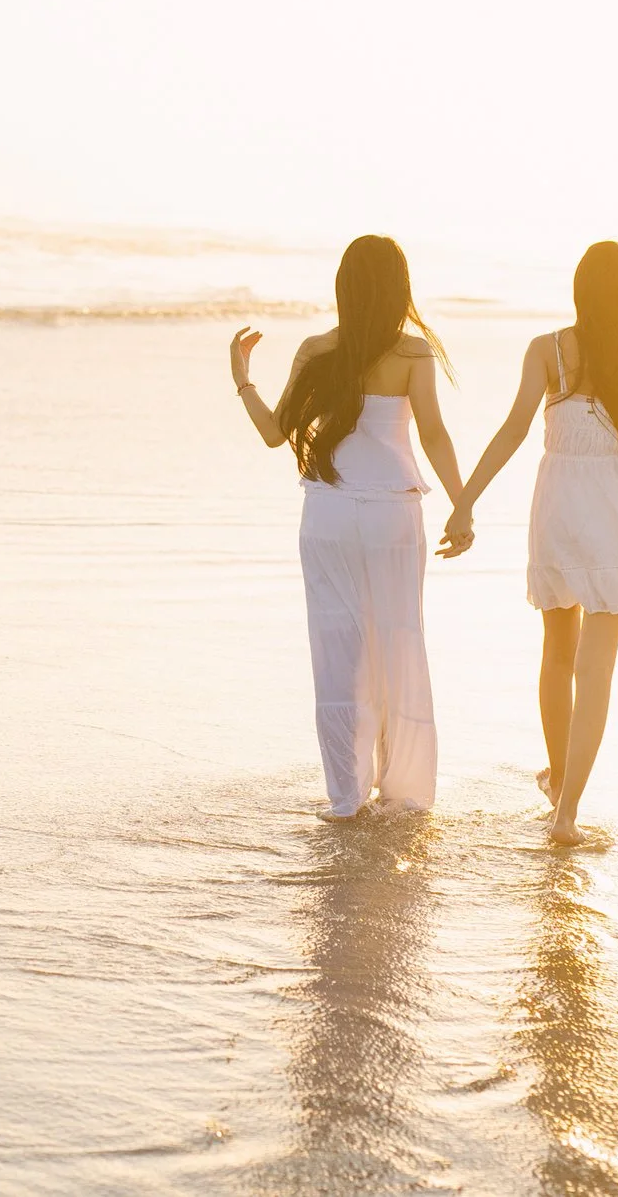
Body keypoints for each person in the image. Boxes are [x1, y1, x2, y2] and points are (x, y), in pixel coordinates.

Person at [440, 241, 618, 845]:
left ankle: (558, 781)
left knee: (557, 651)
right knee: (596, 667)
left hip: (558, 508)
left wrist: (465, 501)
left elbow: (513, 430)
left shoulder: (548, 350)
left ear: (580, 289)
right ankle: (567, 811)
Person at [230, 235, 466, 819]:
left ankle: (345, 796)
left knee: (339, 650)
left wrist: (241, 377)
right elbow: (432, 435)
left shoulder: (317, 350)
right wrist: (462, 505)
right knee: (399, 643)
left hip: (330, 514)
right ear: (398, 289)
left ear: (344, 286)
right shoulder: (413, 354)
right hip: (391, 512)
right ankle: (403, 790)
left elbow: (273, 432)